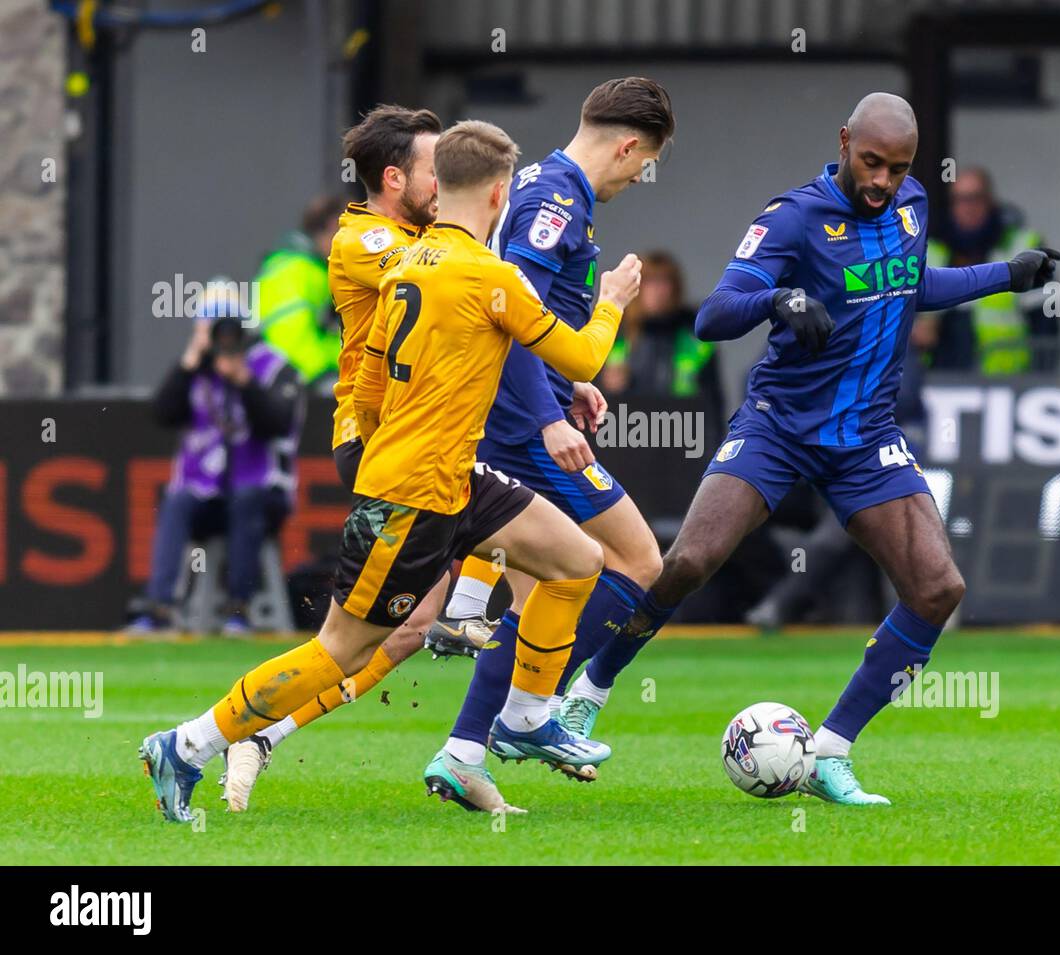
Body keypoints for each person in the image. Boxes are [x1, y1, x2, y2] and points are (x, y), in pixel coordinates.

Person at [139, 118, 643, 823]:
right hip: (409, 483)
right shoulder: (435, 259)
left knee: (575, 558)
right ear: (500, 196)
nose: (435, 184)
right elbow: (583, 355)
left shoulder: (416, 260)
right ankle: (187, 744)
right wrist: (614, 300)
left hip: (447, 467)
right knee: (342, 648)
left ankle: (525, 714)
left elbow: (374, 371)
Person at [588, 92, 1060, 805]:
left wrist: (1004, 275)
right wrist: (780, 300)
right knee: (688, 559)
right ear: (844, 142)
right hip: (778, 425)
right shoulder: (794, 218)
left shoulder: (912, 206)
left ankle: (831, 752)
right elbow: (717, 314)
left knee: (938, 588)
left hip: (865, 434)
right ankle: (589, 688)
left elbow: (910, 285)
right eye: (872, 162)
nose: (882, 180)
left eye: (898, 168)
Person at [218, 104, 477, 813]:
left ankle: (262, 735)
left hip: (431, 441)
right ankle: (202, 737)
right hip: (382, 445)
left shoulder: (429, 236)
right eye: (433, 168)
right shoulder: (363, 240)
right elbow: (450, 280)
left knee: (410, 630)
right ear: (395, 178)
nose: (441, 180)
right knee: (348, 641)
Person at [423, 78, 674, 810]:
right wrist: (547, 417)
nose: (636, 177)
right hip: (516, 423)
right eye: (643, 163)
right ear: (629, 145)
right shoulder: (556, 200)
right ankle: (529, 714)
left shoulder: (544, 188)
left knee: (541, 593)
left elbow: (537, 323)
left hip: (521, 408)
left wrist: (571, 388)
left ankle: (465, 751)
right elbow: (512, 311)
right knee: (637, 558)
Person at [130, 309, 304, 635]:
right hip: (207, 495)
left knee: (246, 500)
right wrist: (189, 362)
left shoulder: (273, 366)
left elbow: (278, 423)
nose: (224, 341)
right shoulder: (198, 369)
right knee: (177, 500)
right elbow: (162, 413)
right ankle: (159, 607)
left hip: (263, 494)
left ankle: (239, 608)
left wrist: (245, 382)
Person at [919, 167, 1052, 374]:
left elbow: (1046, 328)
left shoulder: (1022, 246)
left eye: (975, 198)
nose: (967, 207)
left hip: (1008, 382)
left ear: (990, 201)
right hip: (940, 380)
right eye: (960, 199)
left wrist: (1042, 381)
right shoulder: (930, 250)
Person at [600, 250, 721, 410]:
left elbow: (713, 399)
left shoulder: (696, 334)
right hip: (623, 428)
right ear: (636, 286)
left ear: (676, 288)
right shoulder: (613, 329)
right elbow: (585, 391)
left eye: (664, 281)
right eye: (650, 281)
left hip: (683, 429)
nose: (658, 290)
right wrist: (606, 385)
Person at [254, 195, 351, 387]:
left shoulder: (302, 266)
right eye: (350, 232)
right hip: (298, 386)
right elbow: (291, 338)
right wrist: (326, 375)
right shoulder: (297, 270)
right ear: (333, 226)